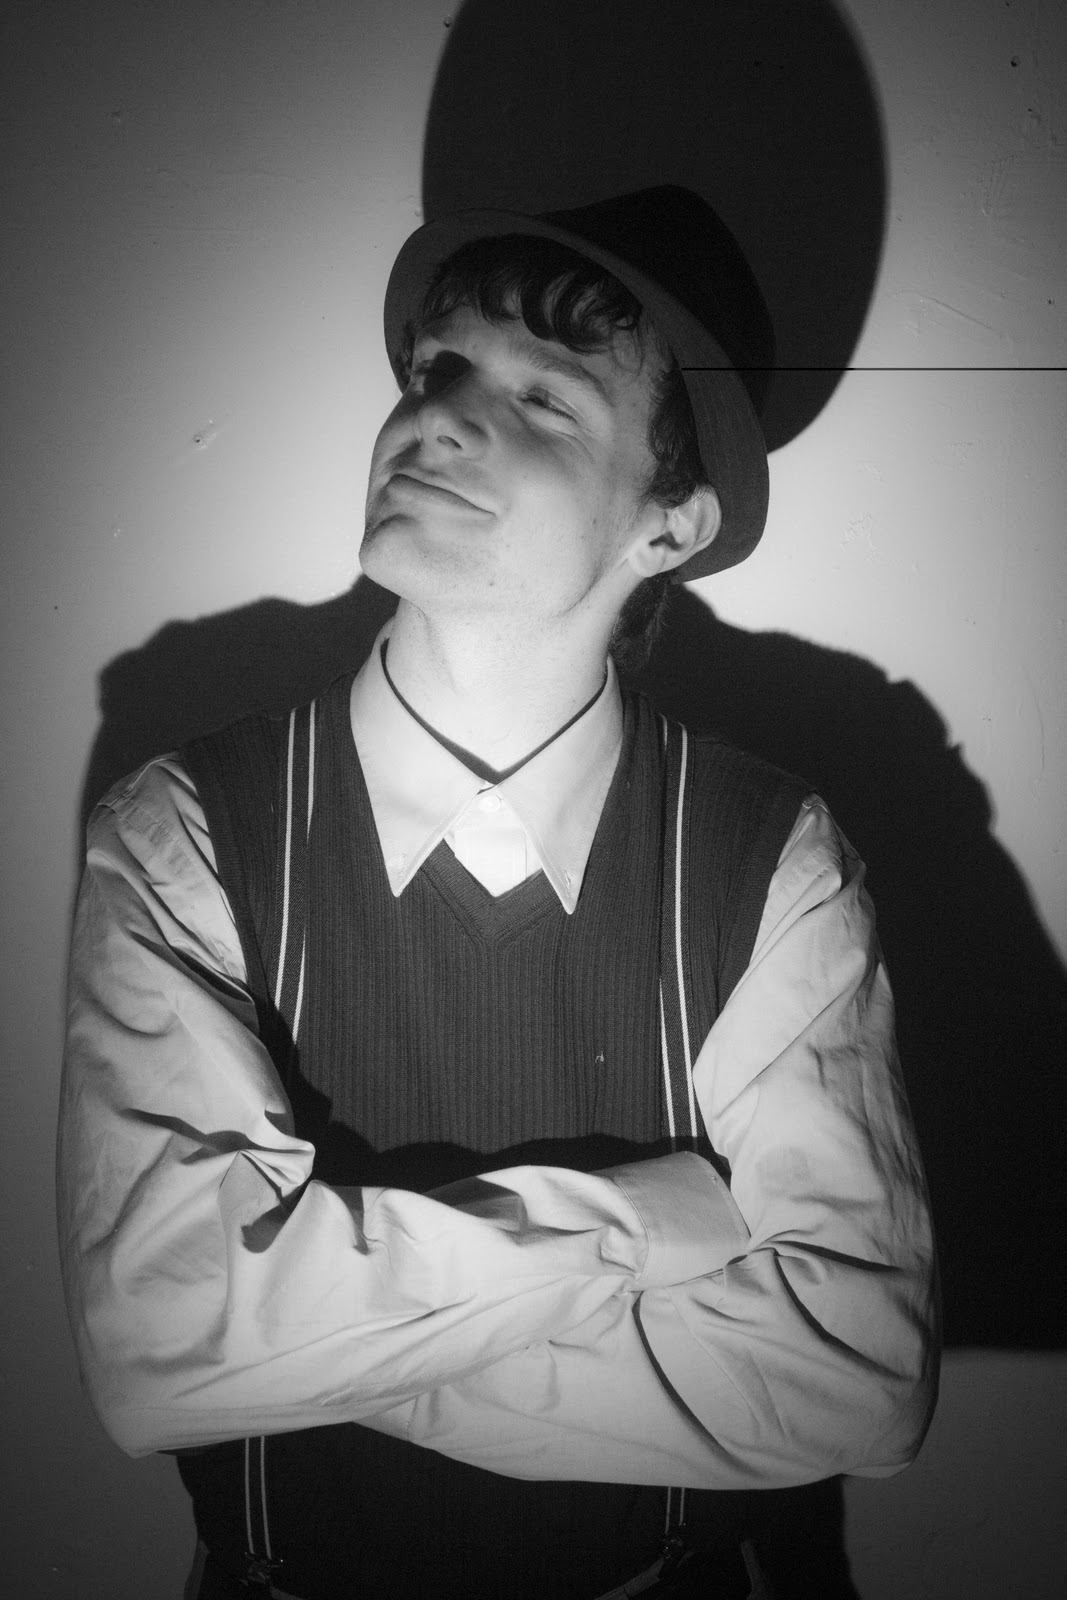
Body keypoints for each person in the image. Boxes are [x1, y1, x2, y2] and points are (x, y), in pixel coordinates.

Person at [58, 188, 938, 1600]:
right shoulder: (184, 832)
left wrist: (289, 1342)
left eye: (545, 400)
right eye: (437, 368)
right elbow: (160, 1350)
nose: (440, 420)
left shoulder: (772, 857)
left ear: (670, 524)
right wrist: (646, 1223)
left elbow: (857, 1378)